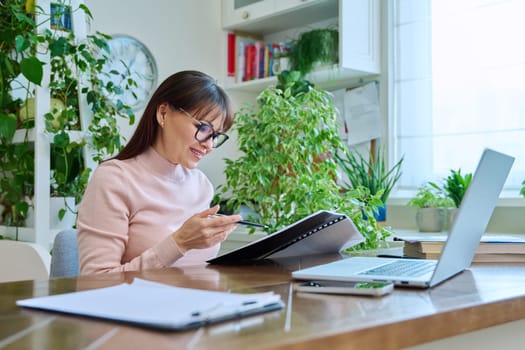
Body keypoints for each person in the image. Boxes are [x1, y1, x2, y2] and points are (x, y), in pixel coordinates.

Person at [77, 70, 242, 274]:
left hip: (197, 304)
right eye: (203, 128)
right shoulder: (114, 179)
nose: (209, 145)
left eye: (215, 135)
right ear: (163, 113)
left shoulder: (201, 185)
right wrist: (179, 243)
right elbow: (95, 281)